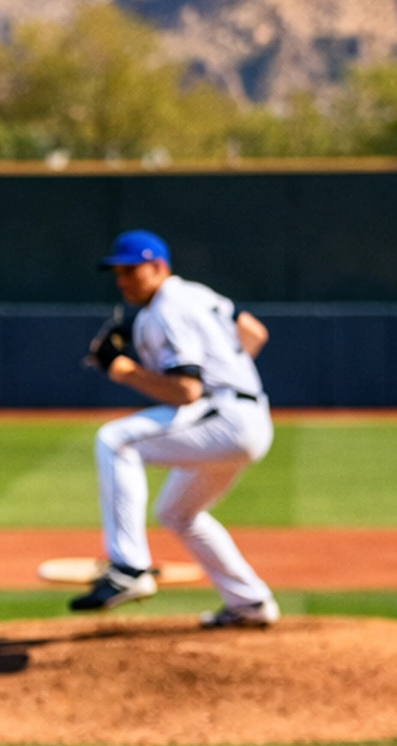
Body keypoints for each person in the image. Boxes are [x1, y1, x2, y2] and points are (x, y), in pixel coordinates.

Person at [70, 230, 278, 627]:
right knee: (177, 513)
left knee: (115, 441)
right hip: (249, 415)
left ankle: (129, 569)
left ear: (159, 267)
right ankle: (249, 603)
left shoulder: (167, 306)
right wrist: (230, 369)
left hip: (226, 417)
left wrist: (124, 370)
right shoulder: (196, 294)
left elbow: (186, 390)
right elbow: (254, 332)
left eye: (132, 270)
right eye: (118, 272)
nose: (123, 280)